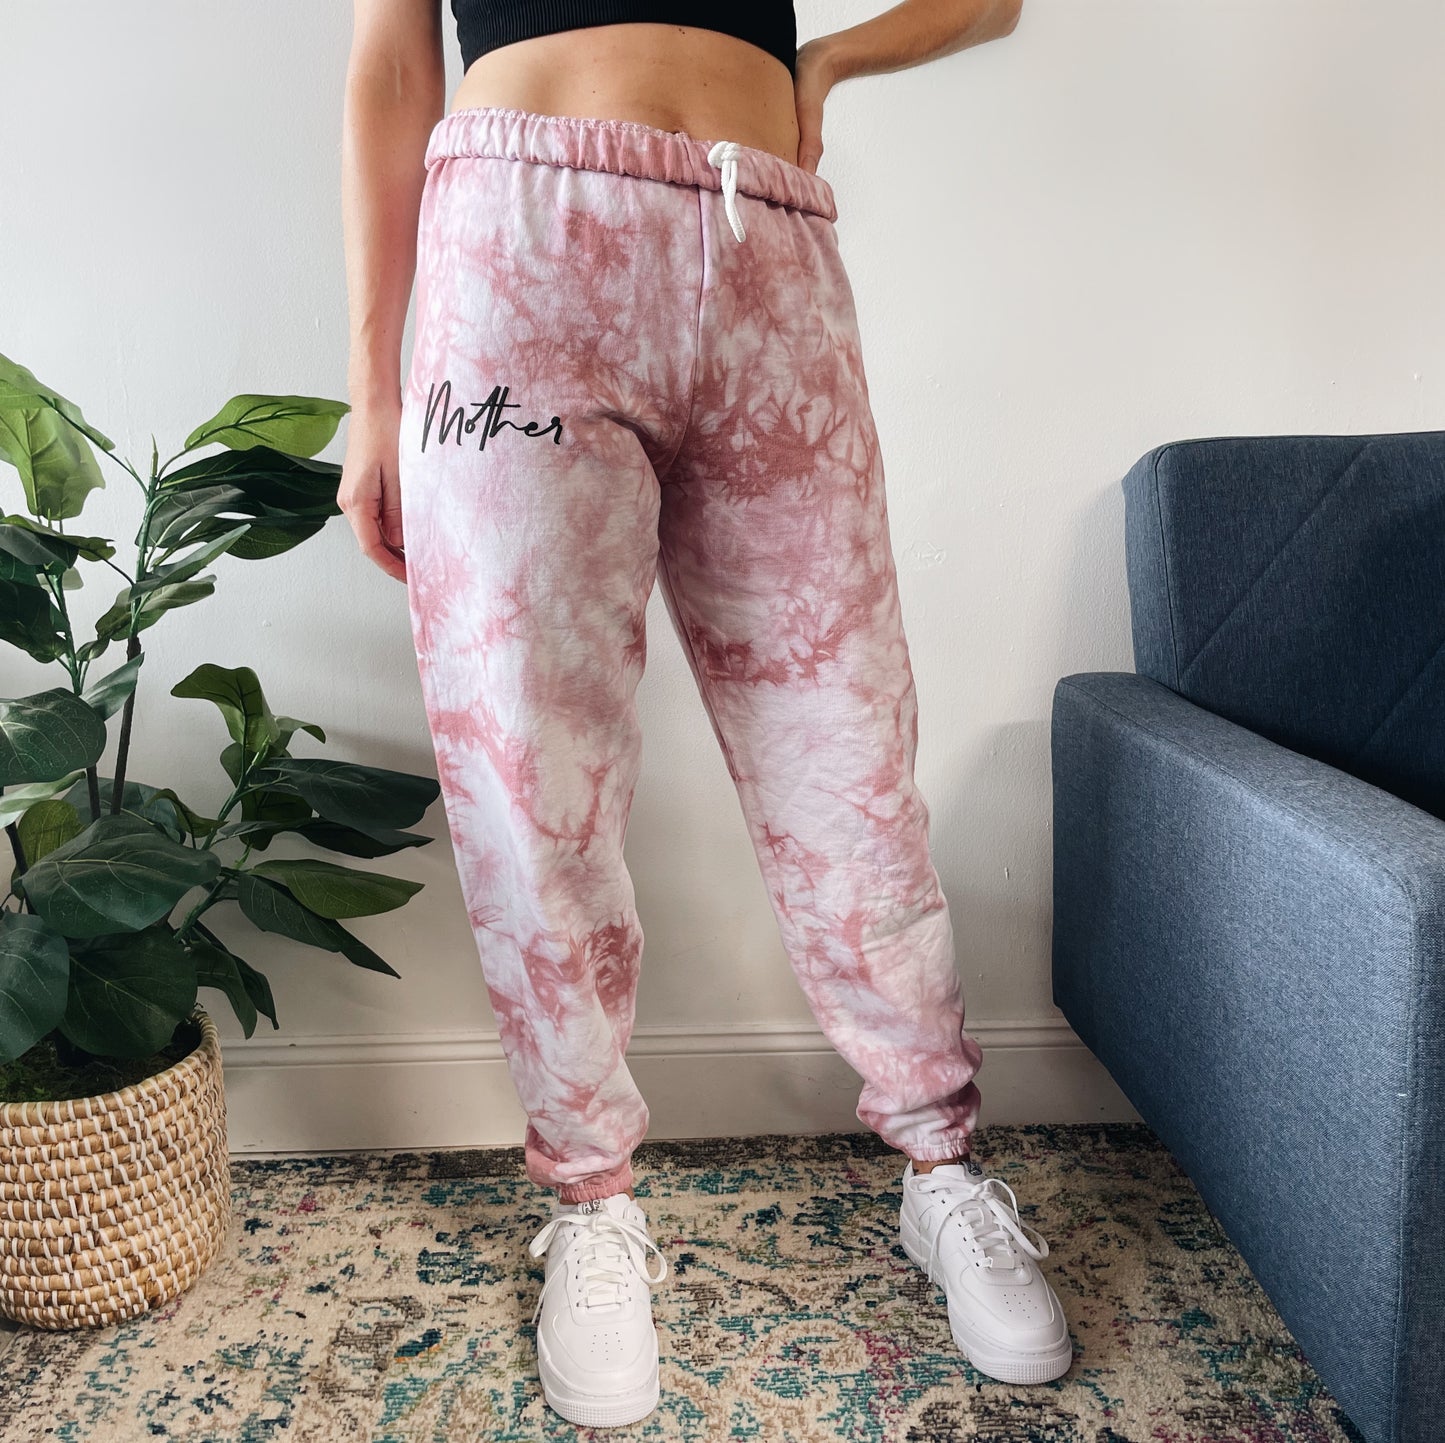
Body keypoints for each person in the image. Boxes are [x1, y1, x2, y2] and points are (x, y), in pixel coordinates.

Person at [340, 0, 1070, 1426]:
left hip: (765, 247)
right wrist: (370, 391)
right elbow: (386, 55)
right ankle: (593, 1203)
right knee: (530, 770)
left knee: (845, 752)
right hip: (516, 245)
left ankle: (941, 1171)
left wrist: (830, 60)